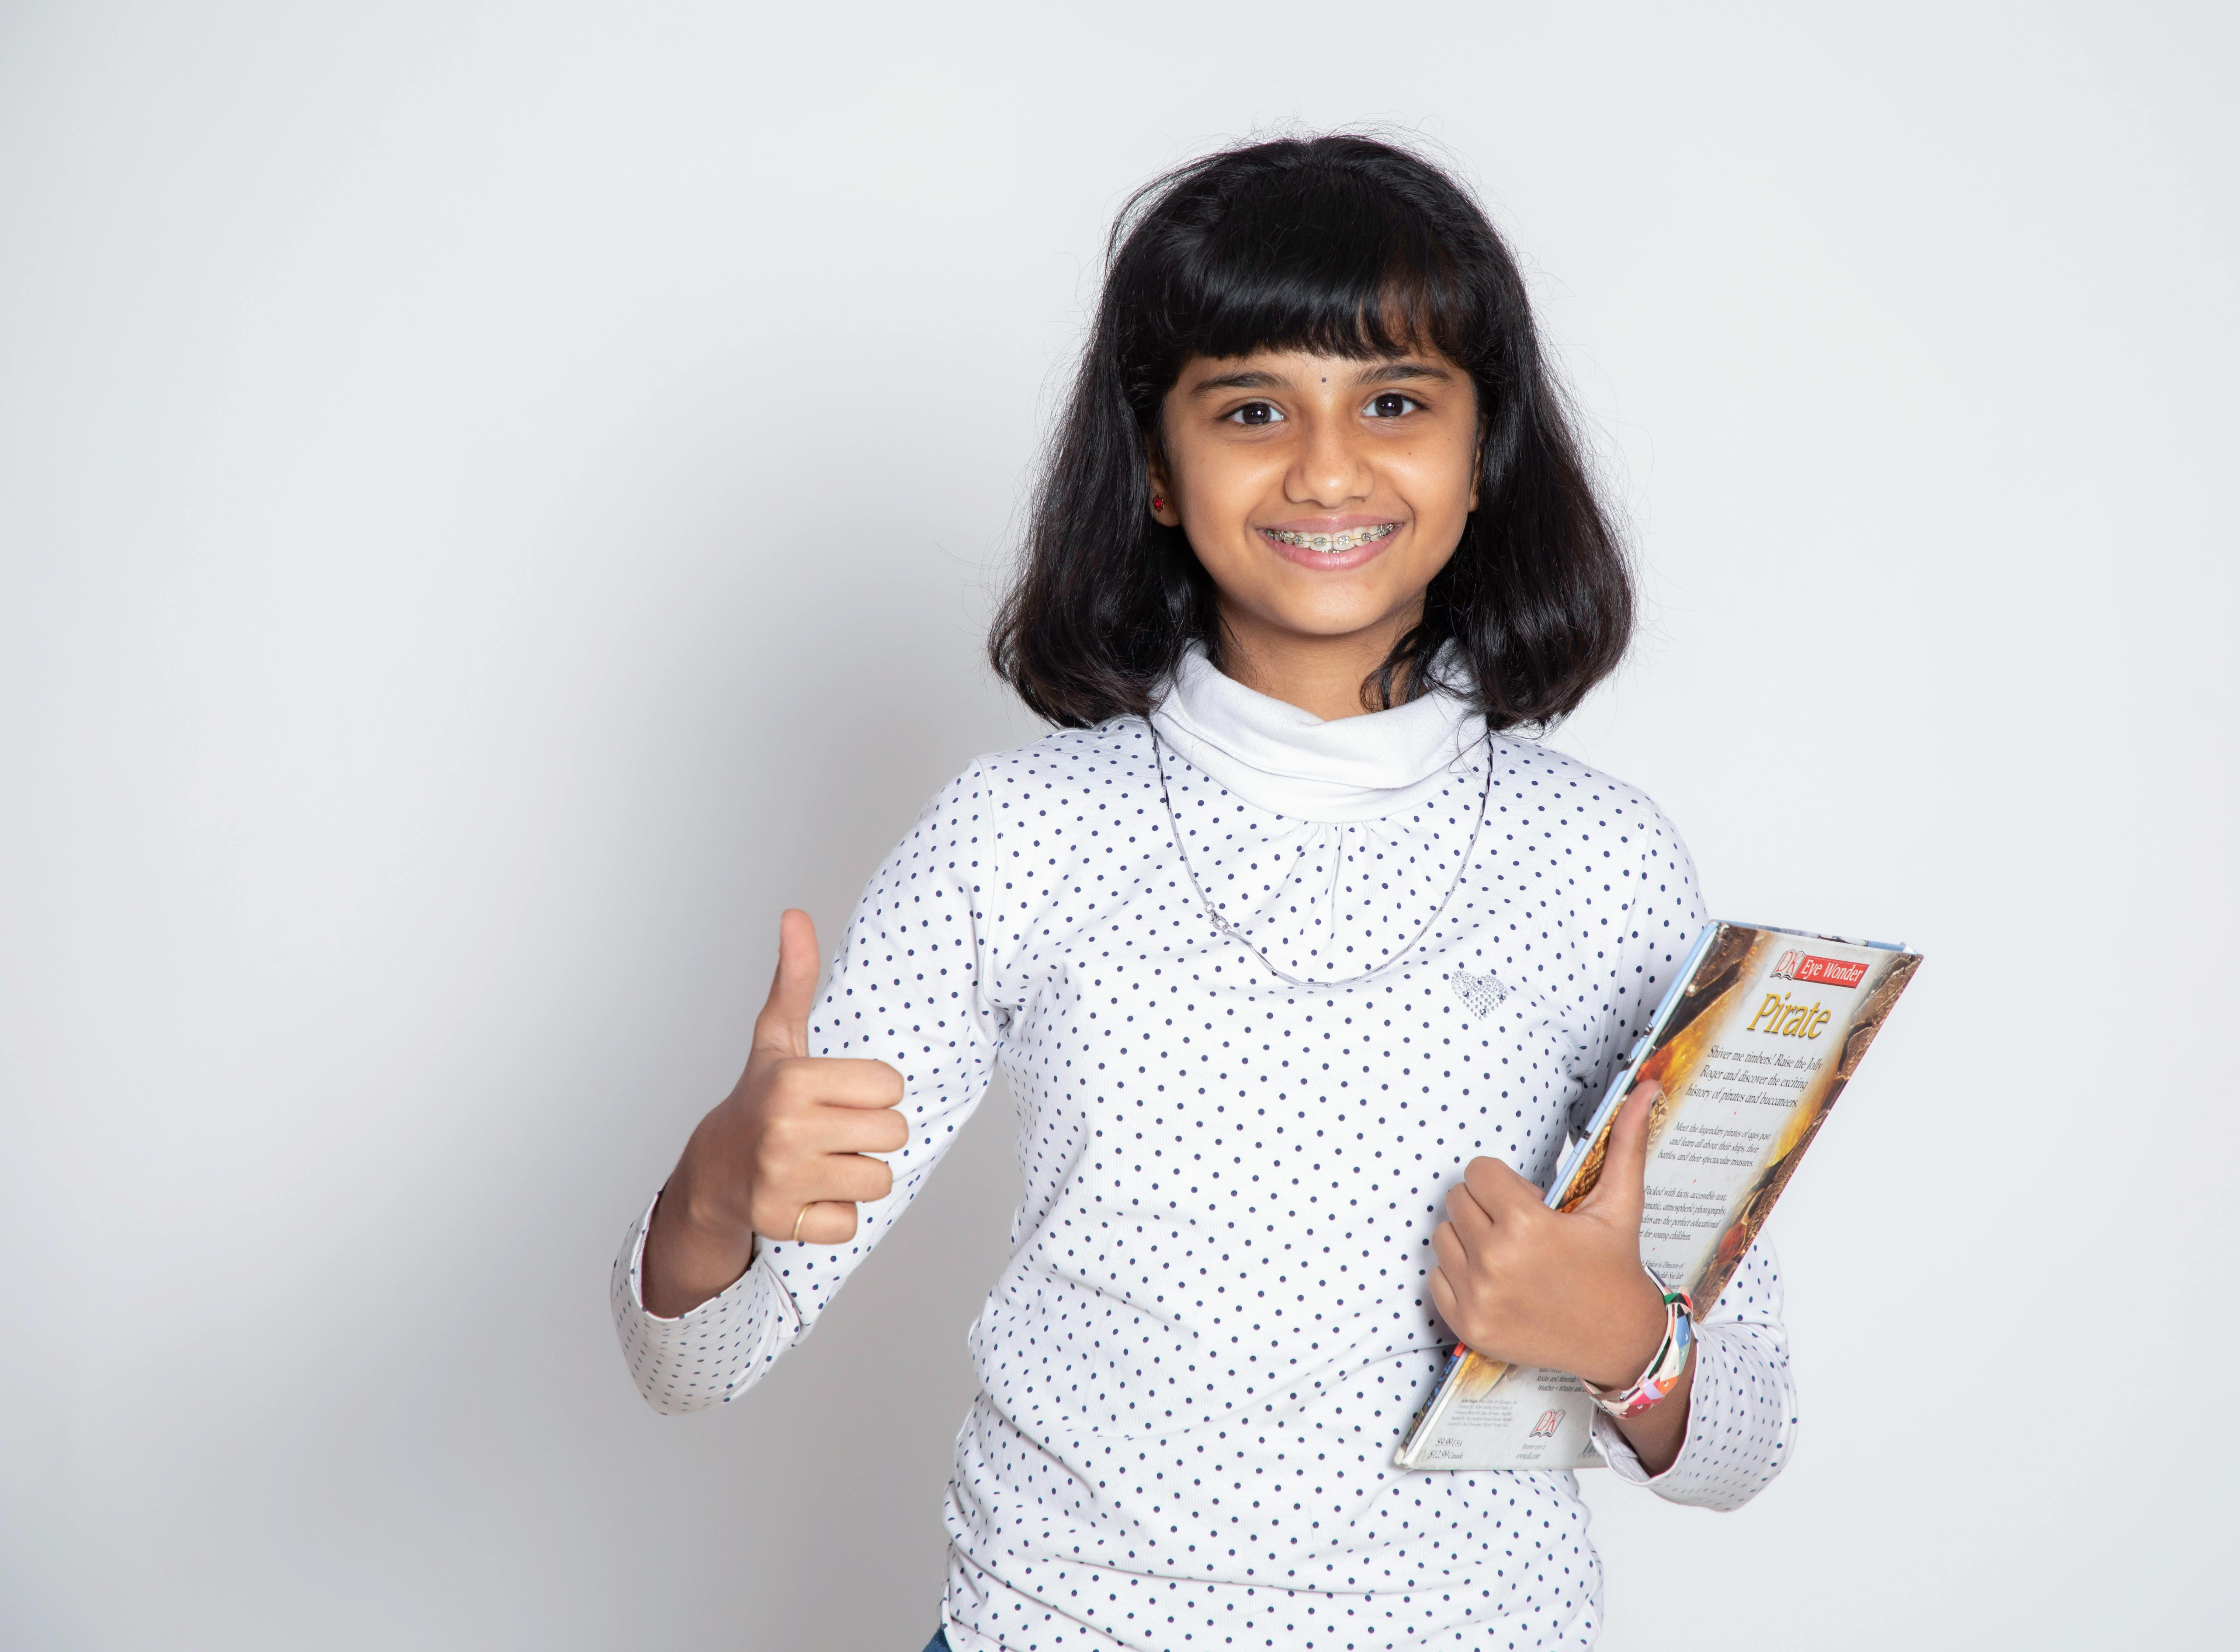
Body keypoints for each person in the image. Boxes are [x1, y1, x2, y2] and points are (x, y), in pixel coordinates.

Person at [613, 133, 1796, 1652]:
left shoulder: (1607, 867)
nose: (1326, 465)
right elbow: (695, 1361)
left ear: (1482, 452)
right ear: (1159, 469)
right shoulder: (1018, 835)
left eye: (1395, 401)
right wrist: (717, 1188)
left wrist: (1627, 1340)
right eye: (1252, 407)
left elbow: (1749, 1430)